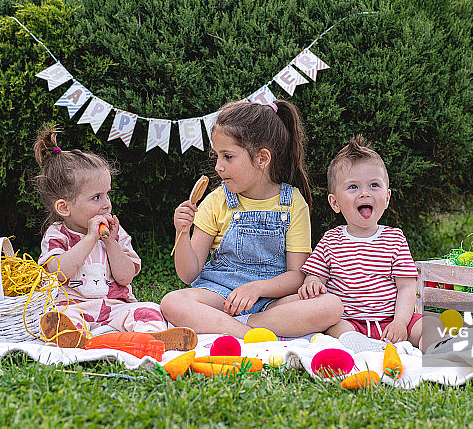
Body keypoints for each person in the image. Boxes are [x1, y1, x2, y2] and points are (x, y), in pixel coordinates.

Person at [160, 100, 342, 338]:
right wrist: (181, 231)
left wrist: (257, 289)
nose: (218, 167)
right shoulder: (216, 201)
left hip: (270, 301)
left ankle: (236, 325)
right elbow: (188, 274)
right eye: (217, 156)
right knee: (173, 301)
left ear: (262, 159)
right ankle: (249, 334)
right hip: (219, 295)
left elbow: (296, 275)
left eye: (228, 156)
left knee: (331, 305)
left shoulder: (293, 203)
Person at [33, 125, 196, 350]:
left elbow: (126, 277)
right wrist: (90, 238)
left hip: (115, 305)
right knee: (58, 317)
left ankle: (153, 339)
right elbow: (57, 273)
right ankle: (74, 339)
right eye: (96, 197)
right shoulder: (57, 235)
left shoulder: (116, 233)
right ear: (64, 207)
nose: (107, 203)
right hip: (73, 305)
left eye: (108, 194)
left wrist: (111, 242)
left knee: (149, 309)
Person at [298, 135, 445, 353]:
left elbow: (406, 286)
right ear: (335, 202)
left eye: (373, 185)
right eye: (353, 187)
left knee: (431, 324)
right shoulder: (330, 240)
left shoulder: (394, 238)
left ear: (386, 197)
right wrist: (312, 283)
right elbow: (316, 275)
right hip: (350, 320)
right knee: (335, 328)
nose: (365, 192)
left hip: (391, 319)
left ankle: (435, 350)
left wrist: (400, 323)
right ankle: (358, 346)